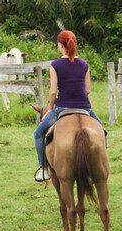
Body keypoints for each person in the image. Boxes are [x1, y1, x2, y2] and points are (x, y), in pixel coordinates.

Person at [33, 30, 104, 182]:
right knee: (102, 131)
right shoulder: (84, 64)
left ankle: (44, 169)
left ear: (60, 45)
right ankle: (99, 164)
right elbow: (88, 90)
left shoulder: (55, 65)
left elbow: (53, 93)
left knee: (38, 133)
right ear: (74, 43)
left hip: (62, 107)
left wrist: (51, 108)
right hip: (85, 107)